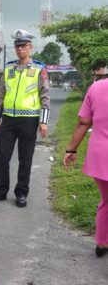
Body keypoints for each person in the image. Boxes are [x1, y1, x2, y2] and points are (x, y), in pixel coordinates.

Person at [0, 29, 50, 207]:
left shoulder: (39, 68)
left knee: (25, 157)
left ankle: (21, 192)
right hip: (8, 119)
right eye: (17, 46)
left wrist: (43, 122)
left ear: (30, 47)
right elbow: (2, 95)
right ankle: (0, 190)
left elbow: (45, 96)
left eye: (23, 46)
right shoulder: (8, 68)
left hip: (29, 120)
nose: (20, 49)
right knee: (2, 156)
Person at [63, 77, 108, 257]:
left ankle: (102, 243)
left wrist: (71, 149)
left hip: (101, 155)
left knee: (106, 200)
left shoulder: (97, 87)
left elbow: (84, 122)